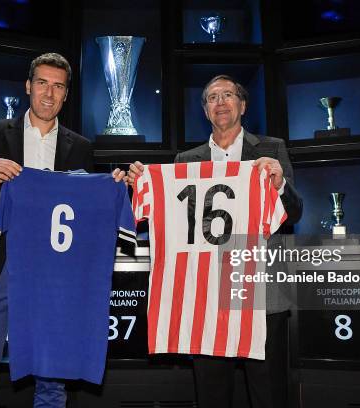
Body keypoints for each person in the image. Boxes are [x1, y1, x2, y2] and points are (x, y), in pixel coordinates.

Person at [120, 74, 303, 408]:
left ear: (242, 105)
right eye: (213, 97)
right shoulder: (184, 161)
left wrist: (278, 184)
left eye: (228, 94)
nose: (221, 102)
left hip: (258, 289)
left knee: (268, 392)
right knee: (211, 392)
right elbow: (166, 217)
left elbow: (293, 214)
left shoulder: (271, 149)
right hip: (203, 294)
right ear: (205, 110)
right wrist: (142, 183)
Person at [0, 53, 94, 408]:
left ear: (66, 94)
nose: (49, 93)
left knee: (51, 387)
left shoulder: (81, 148)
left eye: (58, 86)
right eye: (43, 83)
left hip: (54, 277)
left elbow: (89, 214)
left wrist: (116, 186)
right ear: (29, 86)